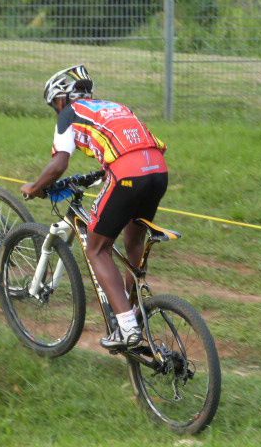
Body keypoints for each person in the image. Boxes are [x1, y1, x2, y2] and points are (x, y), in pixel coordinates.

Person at [21, 65, 168, 350]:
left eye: (55, 105)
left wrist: (35, 188)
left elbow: (60, 163)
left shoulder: (69, 113)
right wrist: (103, 172)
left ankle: (126, 326)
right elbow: (129, 144)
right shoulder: (116, 106)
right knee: (133, 239)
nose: (56, 110)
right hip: (158, 170)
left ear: (61, 99)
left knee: (96, 248)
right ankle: (132, 312)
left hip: (127, 173)